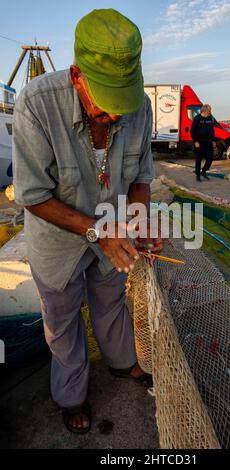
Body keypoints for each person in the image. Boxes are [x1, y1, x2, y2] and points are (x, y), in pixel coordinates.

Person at [12, 9, 162, 435]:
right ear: (77, 76)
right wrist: (98, 230)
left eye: (123, 103)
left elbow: (141, 177)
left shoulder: (140, 108)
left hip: (111, 237)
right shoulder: (36, 104)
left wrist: (137, 220)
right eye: (106, 103)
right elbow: (32, 195)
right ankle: (72, 394)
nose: (116, 116)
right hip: (56, 243)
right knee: (61, 322)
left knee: (111, 303)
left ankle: (120, 363)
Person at [191, 104, 216, 181]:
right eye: (209, 110)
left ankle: (203, 171)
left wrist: (213, 140)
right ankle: (197, 175)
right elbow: (192, 131)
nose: (210, 112)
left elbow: (212, 130)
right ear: (204, 110)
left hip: (208, 143)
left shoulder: (210, 118)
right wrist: (195, 141)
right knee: (198, 160)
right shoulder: (197, 118)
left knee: (210, 159)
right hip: (199, 143)